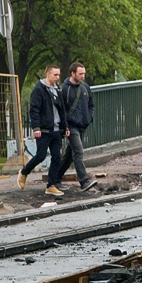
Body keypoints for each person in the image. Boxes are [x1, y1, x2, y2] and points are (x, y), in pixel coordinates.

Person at [17, 64, 68, 196]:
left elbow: (62, 109)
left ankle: (51, 185)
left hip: (56, 129)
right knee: (40, 155)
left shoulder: (58, 89)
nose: (57, 77)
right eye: (55, 75)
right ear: (48, 74)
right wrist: (36, 127)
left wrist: (65, 126)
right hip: (44, 129)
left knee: (57, 156)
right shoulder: (39, 89)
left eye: (59, 75)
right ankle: (24, 172)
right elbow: (34, 110)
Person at [49, 61, 97, 192]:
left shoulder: (85, 87)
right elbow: (61, 108)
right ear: (73, 73)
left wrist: (89, 117)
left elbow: (91, 104)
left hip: (82, 125)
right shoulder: (65, 89)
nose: (83, 76)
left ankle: (54, 178)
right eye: (80, 73)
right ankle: (84, 181)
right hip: (71, 125)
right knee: (78, 151)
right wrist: (65, 126)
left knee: (70, 154)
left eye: (84, 73)